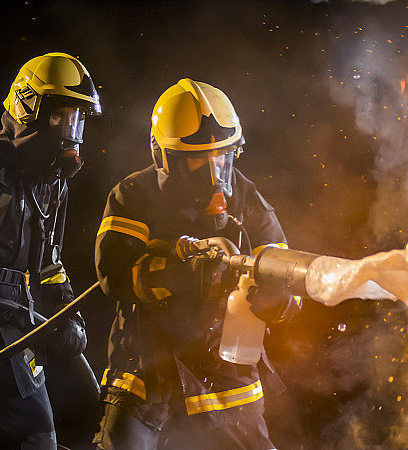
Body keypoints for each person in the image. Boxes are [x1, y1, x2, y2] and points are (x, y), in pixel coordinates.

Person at [93, 78, 299, 449]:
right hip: (148, 373)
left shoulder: (247, 198)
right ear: (164, 156)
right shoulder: (134, 196)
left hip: (227, 374)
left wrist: (278, 302)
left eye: (221, 156)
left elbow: (290, 277)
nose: (213, 173)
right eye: (195, 158)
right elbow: (113, 274)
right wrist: (176, 276)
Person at [0, 52, 101, 448]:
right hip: (6, 319)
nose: (69, 130)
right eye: (60, 117)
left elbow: (49, 264)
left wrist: (67, 313)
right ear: (27, 107)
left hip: (14, 325)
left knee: (38, 436)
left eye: (77, 119)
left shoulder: (51, 184)